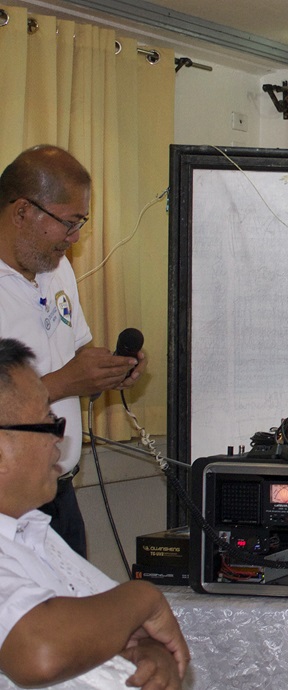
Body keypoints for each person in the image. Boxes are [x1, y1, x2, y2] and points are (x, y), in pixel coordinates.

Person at [0, 337, 187, 688]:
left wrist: (150, 650)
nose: (60, 438)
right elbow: (40, 650)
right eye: (49, 423)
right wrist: (144, 597)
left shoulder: (32, 529)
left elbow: (115, 622)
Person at [0, 145, 145, 557]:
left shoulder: (56, 267)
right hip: (7, 508)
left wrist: (107, 371)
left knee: (76, 614)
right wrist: (66, 382)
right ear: (22, 211)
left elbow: (75, 354)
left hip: (60, 492)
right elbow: (61, 379)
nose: (76, 236)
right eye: (69, 221)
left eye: (82, 222)